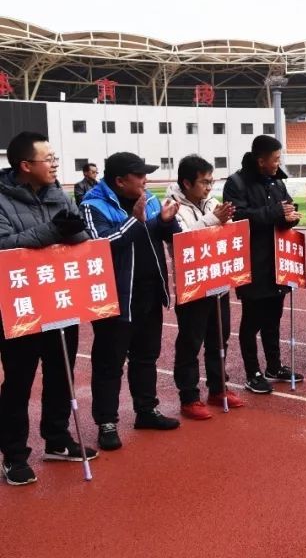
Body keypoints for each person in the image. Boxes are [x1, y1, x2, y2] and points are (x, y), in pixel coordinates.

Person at [0, 132, 96, 485]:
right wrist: (52, 231)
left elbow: (78, 237)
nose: (55, 164)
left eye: (56, 158)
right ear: (26, 165)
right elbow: (4, 245)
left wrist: (72, 232)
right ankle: (13, 455)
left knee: (61, 373)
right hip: (20, 307)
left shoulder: (59, 194)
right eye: (48, 159)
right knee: (19, 381)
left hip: (60, 301)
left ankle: (57, 439)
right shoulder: (1, 199)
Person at [82, 152, 182, 451]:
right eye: (140, 176)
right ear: (120, 181)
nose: (145, 180)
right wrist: (133, 221)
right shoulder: (92, 205)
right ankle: (107, 422)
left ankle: (146, 410)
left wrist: (165, 222)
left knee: (146, 355)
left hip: (150, 291)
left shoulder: (150, 199)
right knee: (109, 362)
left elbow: (166, 235)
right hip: (116, 297)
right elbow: (101, 245)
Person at [223, 135, 304, 395]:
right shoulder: (236, 183)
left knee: (274, 317)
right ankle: (252, 372)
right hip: (252, 264)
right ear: (261, 161)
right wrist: (276, 213)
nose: (278, 163)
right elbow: (239, 218)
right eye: (276, 159)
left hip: (277, 262)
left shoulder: (276, 180)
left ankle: (273, 365)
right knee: (252, 321)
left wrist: (291, 216)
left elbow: (285, 207)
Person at [166, 155, 244, 420]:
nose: (209, 188)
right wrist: (212, 220)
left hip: (217, 281)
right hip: (192, 286)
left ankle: (218, 387)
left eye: (211, 182)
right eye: (203, 182)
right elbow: (182, 240)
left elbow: (227, 235)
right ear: (186, 183)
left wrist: (226, 222)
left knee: (218, 337)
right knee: (190, 342)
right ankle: (188, 396)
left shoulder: (212, 203)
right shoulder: (172, 206)